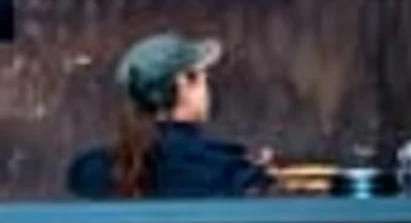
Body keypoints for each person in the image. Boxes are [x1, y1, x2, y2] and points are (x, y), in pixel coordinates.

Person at [70, 27, 267, 200]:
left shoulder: (91, 171)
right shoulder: (226, 170)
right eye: (203, 76)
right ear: (183, 83)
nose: (208, 89)